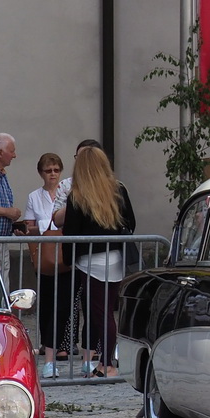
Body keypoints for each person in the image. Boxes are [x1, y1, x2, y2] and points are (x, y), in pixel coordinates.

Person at [60, 146, 135, 377]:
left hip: (90, 261)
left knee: (100, 314)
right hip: (114, 258)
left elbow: (71, 232)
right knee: (106, 312)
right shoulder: (118, 190)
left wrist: (68, 258)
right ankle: (107, 361)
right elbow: (131, 222)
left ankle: (107, 364)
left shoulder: (78, 195)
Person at [19, 153, 69, 377]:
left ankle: (59, 344)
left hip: (65, 252)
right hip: (45, 253)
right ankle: (48, 344)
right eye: (48, 171)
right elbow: (30, 226)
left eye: (56, 170)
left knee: (65, 302)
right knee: (47, 299)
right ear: (41, 173)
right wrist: (45, 225)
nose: (53, 175)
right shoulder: (34, 196)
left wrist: (45, 225)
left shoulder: (67, 193)